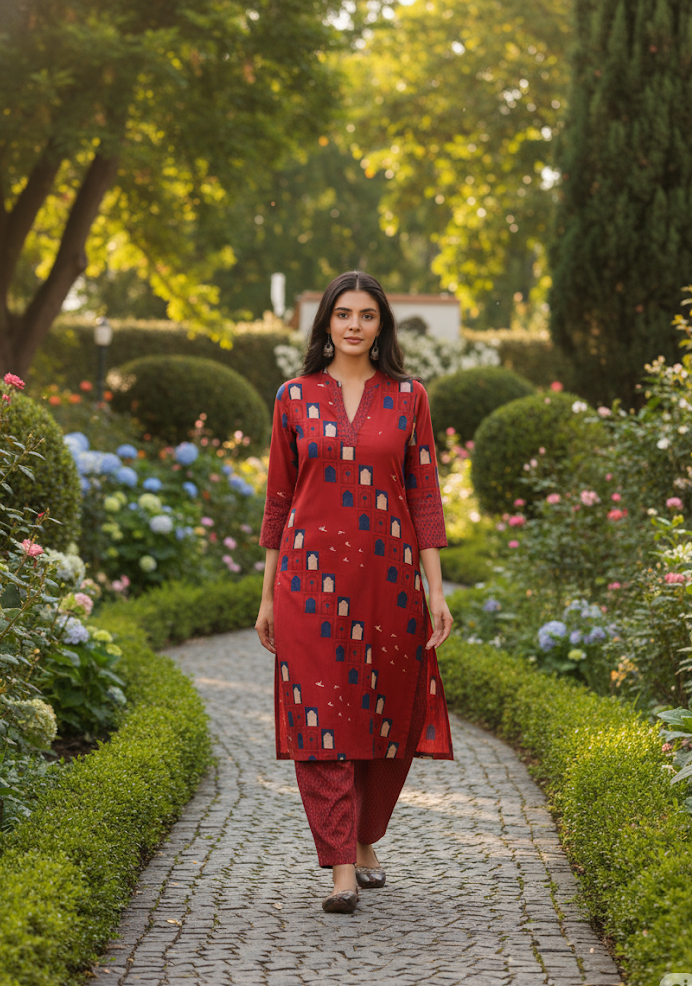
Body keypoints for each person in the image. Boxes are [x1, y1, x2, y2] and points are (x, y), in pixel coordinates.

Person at [255, 270, 454, 914]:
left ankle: (366, 836)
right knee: (321, 722)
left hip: (389, 587)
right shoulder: (293, 397)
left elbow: (424, 497)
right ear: (326, 323)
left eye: (367, 315)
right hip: (307, 585)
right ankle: (341, 865)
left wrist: (437, 592)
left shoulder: (409, 398)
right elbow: (278, 502)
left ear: (381, 326)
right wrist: (266, 598)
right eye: (343, 314)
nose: (354, 325)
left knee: (386, 720)